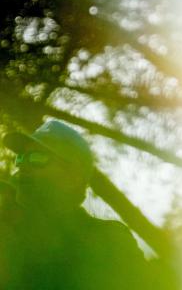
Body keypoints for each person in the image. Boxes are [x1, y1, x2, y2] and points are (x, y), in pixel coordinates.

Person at [0, 119, 152, 290]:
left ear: (72, 176)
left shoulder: (110, 243)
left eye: (37, 158)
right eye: (20, 158)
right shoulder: (7, 237)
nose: (23, 167)